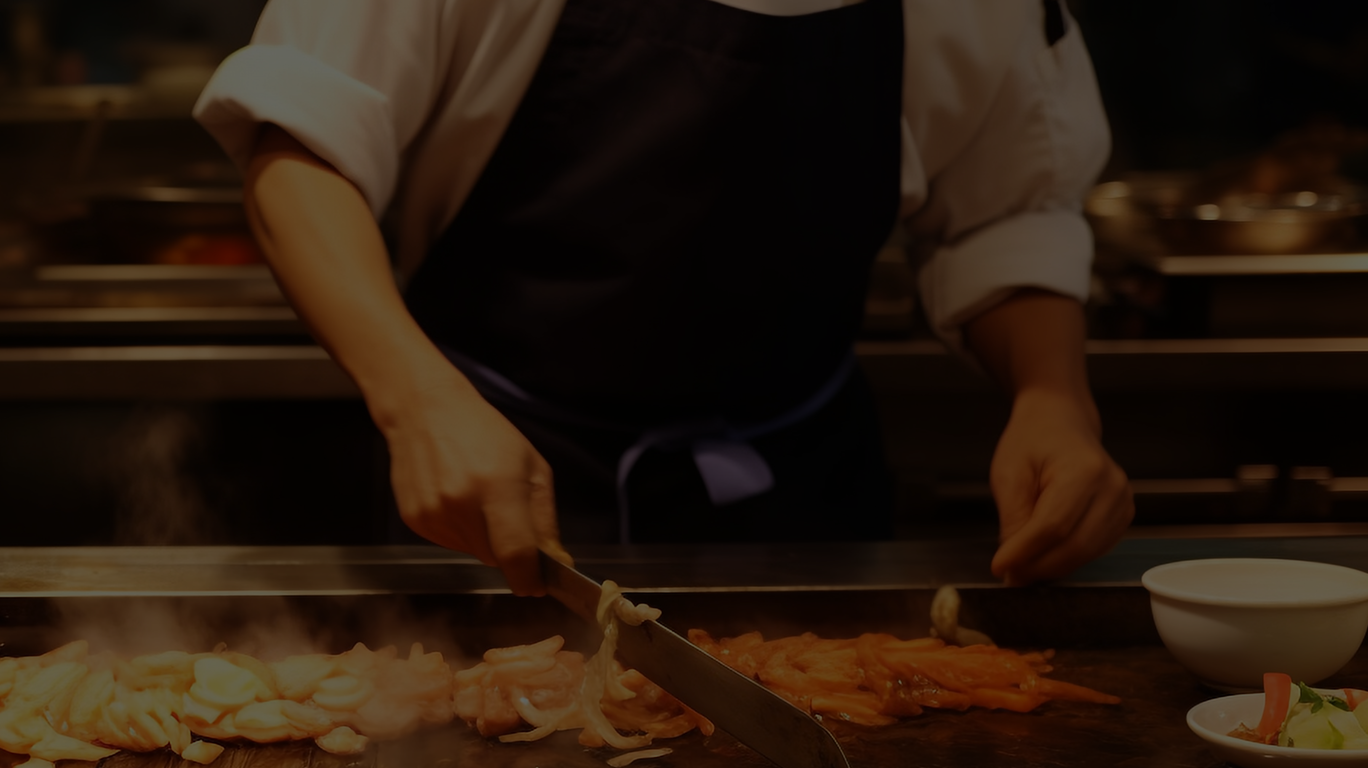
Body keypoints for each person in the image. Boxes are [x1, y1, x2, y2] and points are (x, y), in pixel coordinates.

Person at [194, 0, 1135, 596]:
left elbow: (1009, 212)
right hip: (492, 477)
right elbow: (301, 149)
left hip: (800, 500)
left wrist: (1055, 400)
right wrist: (418, 401)